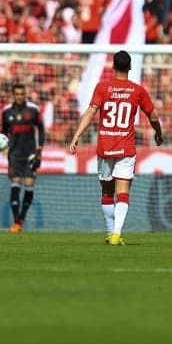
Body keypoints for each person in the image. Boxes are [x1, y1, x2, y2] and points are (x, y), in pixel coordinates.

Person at [69, 51, 164, 245]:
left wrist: (77, 135)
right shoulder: (137, 90)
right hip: (125, 147)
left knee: (106, 193)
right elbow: (153, 116)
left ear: (113, 67)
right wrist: (158, 132)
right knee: (123, 192)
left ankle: (111, 232)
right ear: (130, 67)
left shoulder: (103, 88)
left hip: (105, 145)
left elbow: (90, 112)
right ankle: (116, 233)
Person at [1, 83, 45, 233]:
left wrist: (39, 150)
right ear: (13, 95)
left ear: (25, 94)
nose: (19, 96)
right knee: (15, 184)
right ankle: (16, 222)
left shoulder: (33, 110)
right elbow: (4, 132)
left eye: (22, 94)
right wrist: (1, 145)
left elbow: (41, 129)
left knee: (29, 184)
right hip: (14, 154)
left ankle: (20, 220)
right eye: (17, 94)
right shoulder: (6, 112)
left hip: (30, 154)